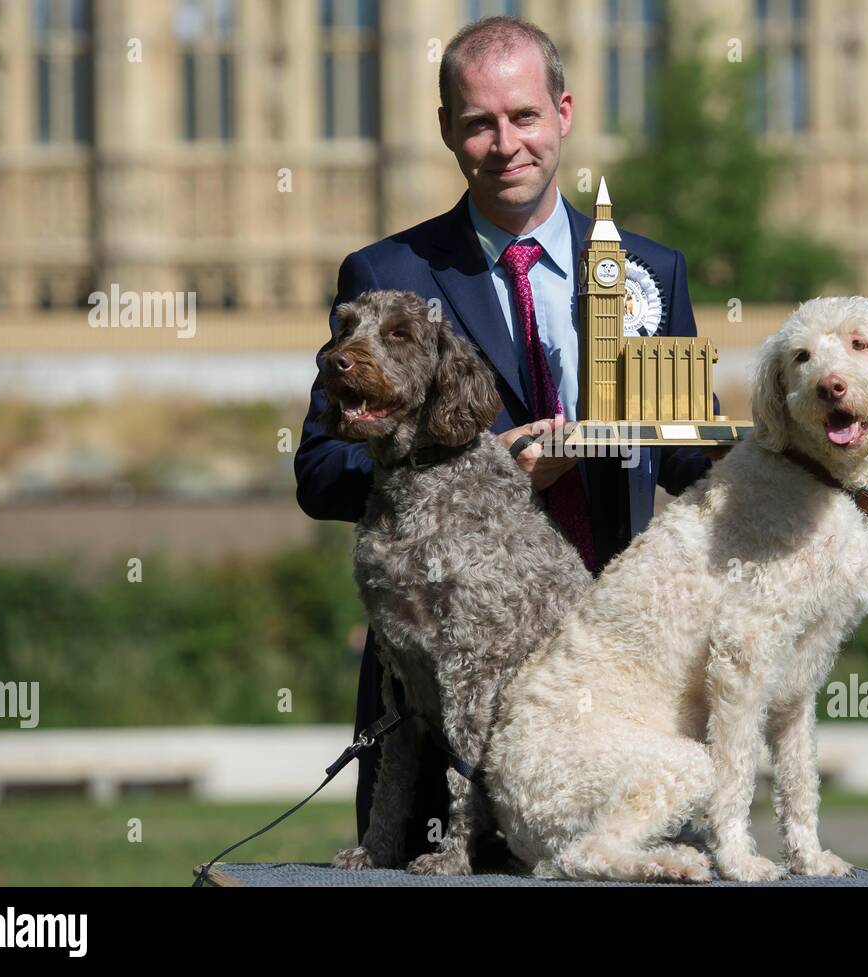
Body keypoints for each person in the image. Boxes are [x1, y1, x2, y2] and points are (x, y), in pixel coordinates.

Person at [294, 15, 721, 862]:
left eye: (523, 116)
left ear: (563, 112)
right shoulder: (388, 276)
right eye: (480, 122)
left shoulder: (649, 272)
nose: (506, 143)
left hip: (606, 694)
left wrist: (808, 472)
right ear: (449, 132)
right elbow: (320, 467)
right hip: (439, 715)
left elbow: (688, 456)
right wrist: (487, 468)